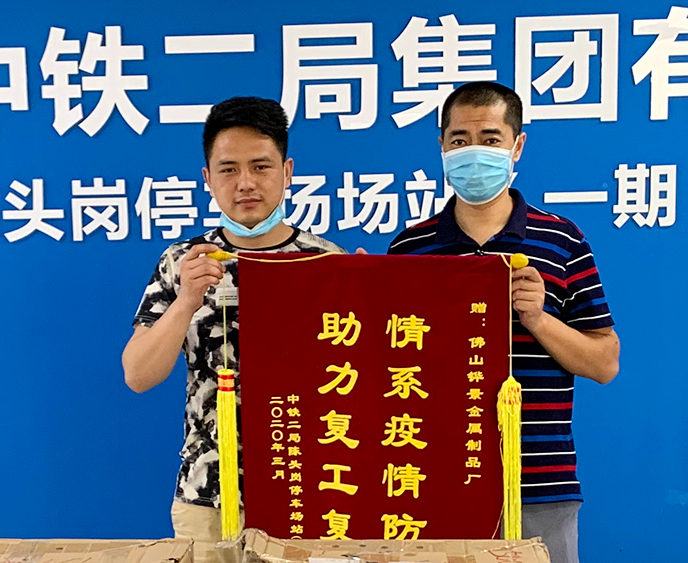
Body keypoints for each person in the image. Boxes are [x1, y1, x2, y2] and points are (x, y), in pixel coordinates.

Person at [387, 82, 619, 563]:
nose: (474, 151)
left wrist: (538, 319)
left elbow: (604, 363)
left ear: (517, 145)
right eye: (459, 139)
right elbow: (388, 366)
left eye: (490, 139)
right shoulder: (410, 250)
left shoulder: (562, 241)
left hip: (539, 483)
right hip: (434, 478)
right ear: (441, 146)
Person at [122, 97, 344, 563]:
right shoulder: (183, 261)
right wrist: (186, 300)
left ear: (286, 172)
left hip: (309, 490)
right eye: (228, 169)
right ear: (208, 178)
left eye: (260, 166)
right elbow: (138, 375)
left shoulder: (327, 263)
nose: (245, 183)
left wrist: (373, 297)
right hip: (208, 494)